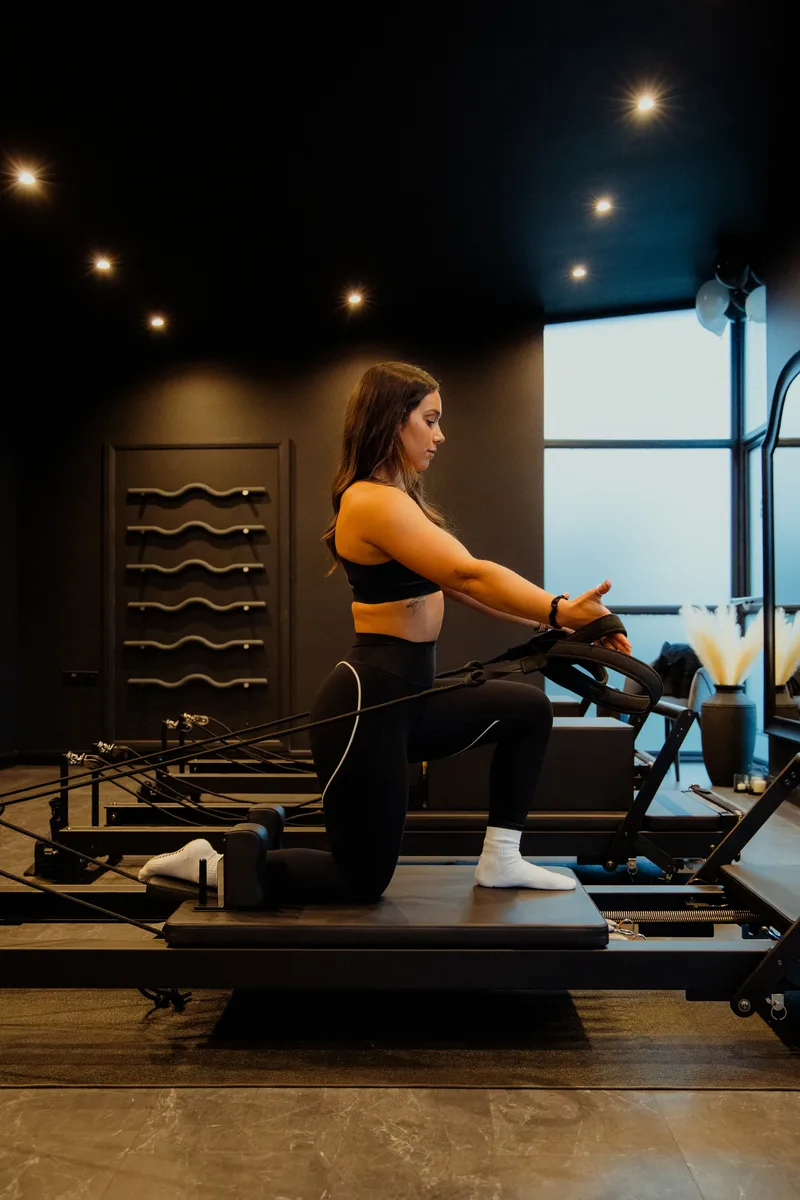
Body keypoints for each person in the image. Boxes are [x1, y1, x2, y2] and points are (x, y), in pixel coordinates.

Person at [140, 361, 630, 902]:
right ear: (395, 420)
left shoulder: (401, 503)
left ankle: (502, 858)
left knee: (527, 712)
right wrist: (562, 610)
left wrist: (560, 620)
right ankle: (210, 863)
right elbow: (470, 571)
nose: (440, 435)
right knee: (360, 879)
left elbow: (462, 589)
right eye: (431, 419)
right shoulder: (370, 501)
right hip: (366, 707)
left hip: (410, 698)